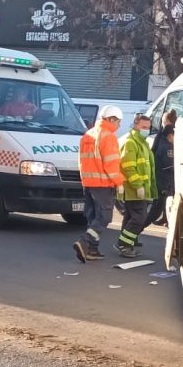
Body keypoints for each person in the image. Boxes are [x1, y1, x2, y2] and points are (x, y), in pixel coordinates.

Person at [74, 105, 125, 262]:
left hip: (89, 183)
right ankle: (85, 242)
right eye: (118, 122)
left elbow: (81, 161)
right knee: (103, 218)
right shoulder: (108, 136)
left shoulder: (88, 134)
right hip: (103, 184)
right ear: (111, 119)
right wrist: (119, 182)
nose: (119, 126)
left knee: (93, 216)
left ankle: (92, 250)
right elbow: (111, 164)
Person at [116, 113, 158, 258]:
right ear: (135, 126)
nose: (146, 129)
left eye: (148, 127)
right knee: (139, 218)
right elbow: (128, 167)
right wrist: (138, 185)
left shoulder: (142, 142)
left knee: (130, 217)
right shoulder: (131, 142)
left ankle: (129, 241)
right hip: (134, 189)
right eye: (143, 127)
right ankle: (124, 243)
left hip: (140, 188)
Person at [144, 108, 176, 228]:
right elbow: (168, 161)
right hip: (163, 178)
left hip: (162, 177)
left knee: (160, 205)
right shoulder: (166, 144)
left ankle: (165, 219)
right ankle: (136, 231)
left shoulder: (162, 137)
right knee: (156, 209)